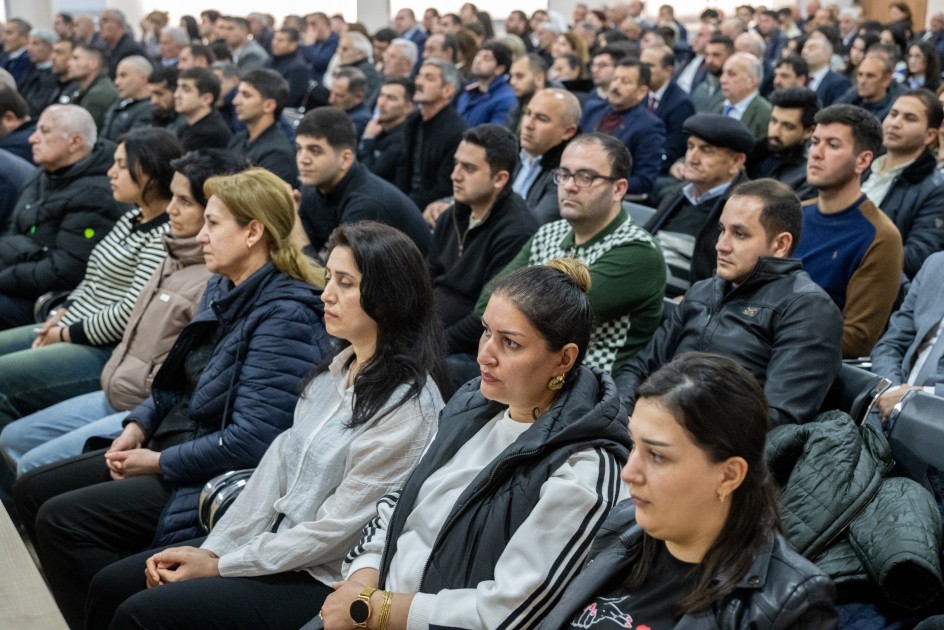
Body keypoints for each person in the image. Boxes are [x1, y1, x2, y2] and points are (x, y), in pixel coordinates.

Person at [83, 221, 451, 629]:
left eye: (345, 283)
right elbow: (275, 467)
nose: (326, 294)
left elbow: (335, 532)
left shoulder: (407, 407)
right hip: (270, 545)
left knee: (140, 614)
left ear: (389, 298)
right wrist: (216, 549)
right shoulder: (336, 371)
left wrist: (224, 566)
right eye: (329, 278)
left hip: (321, 576)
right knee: (111, 584)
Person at [13, 168, 331, 629]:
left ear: (253, 232)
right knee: (33, 490)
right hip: (172, 441)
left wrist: (157, 463)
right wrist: (136, 426)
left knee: (63, 522)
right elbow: (173, 382)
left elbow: (252, 441)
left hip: (209, 472)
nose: (201, 236)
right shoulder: (224, 284)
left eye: (213, 224)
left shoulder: (285, 317)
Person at [317, 258, 631, 629]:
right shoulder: (471, 403)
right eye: (486, 332)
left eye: (510, 343)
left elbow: (511, 612)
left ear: (563, 359)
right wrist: (361, 581)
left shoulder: (584, 465)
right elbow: (398, 504)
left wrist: (377, 610)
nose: (485, 354)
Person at [0, 149, 250, 479]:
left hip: (133, 395)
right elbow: (91, 279)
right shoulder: (171, 248)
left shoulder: (210, 277)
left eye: (184, 202)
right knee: (13, 438)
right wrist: (63, 312)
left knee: (30, 461)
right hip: (115, 377)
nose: (171, 209)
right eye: (173, 197)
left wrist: (67, 332)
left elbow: (179, 378)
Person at [540, 352, 837, 628]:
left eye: (657, 456)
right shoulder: (625, 522)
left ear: (729, 476)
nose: (628, 473)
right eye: (635, 445)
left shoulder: (790, 602)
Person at [616, 179, 843, 427]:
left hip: (716, 450)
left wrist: (677, 432)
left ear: (780, 244)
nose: (720, 245)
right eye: (722, 230)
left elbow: (779, 418)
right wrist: (625, 417)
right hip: (651, 428)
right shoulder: (702, 291)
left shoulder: (808, 309)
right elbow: (638, 369)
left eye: (740, 234)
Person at [449, 133, 666, 382]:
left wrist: (517, 301)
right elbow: (488, 300)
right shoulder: (549, 232)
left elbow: (552, 319)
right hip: (519, 370)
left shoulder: (637, 252)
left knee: (435, 373)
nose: (569, 185)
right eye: (563, 174)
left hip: (579, 387)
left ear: (618, 188)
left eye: (585, 177)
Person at [0, 105, 126, 328]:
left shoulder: (96, 194)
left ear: (75, 142)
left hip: (50, 302)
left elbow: (65, 271)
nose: (32, 139)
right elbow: (12, 231)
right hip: (18, 281)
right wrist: (31, 252)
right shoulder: (42, 174)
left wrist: (5, 274)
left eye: (45, 131)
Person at [795, 104, 904, 358]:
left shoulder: (881, 236)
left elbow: (855, 339)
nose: (816, 154)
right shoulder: (793, 214)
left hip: (807, 367)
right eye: (814, 142)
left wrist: (773, 335)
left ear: (863, 160)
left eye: (832, 145)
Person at [428, 124, 537, 337]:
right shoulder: (452, 214)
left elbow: (487, 317)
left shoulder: (517, 232)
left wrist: (430, 347)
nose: (455, 175)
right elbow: (427, 276)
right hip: (429, 325)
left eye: (468, 168)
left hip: (468, 345)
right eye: (456, 164)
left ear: (500, 179)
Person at [295, 108, 431, 256]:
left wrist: (294, 223)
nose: (303, 159)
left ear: (345, 158)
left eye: (314, 151)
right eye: (299, 149)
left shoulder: (366, 205)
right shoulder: (312, 188)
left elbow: (332, 275)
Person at [648, 114, 754, 297]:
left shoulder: (747, 208)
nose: (692, 158)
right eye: (690, 147)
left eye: (706, 151)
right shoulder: (677, 193)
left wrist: (696, 300)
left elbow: (739, 277)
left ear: (736, 162)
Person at [861, 89, 944, 279]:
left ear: (930, 135)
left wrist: (853, 254)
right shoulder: (863, 165)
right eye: (893, 114)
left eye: (910, 118)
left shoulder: (936, 189)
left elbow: (918, 256)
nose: (895, 123)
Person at [581, 59, 667, 198]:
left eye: (625, 82)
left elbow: (645, 180)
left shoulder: (649, 126)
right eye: (615, 79)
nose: (615, 86)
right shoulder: (592, 109)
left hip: (612, 197)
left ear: (641, 92)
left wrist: (603, 186)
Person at [396, 58, 466, 211]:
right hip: (405, 202)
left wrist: (405, 206)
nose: (419, 83)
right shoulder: (413, 120)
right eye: (419, 76)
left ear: (447, 90)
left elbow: (446, 186)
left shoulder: (455, 131)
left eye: (429, 78)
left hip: (430, 209)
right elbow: (403, 167)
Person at [511, 88, 580, 224]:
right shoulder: (512, 152)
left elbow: (535, 227)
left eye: (542, 119)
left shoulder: (567, 175)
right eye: (527, 113)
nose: (528, 124)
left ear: (568, 131)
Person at [227, 68, 298, 185]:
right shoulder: (238, 139)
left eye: (246, 95)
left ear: (269, 105)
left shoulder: (277, 155)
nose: (235, 101)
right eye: (238, 93)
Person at [747, 87, 818, 199]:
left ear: (809, 131)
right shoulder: (753, 151)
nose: (776, 131)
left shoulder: (810, 174)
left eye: (787, 126)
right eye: (774, 121)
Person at [357, 76, 413, 183]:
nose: (381, 103)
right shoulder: (377, 129)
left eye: (391, 98)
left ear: (408, 107)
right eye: (381, 95)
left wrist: (367, 139)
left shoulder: (403, 139)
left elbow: (371, 177)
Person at [174, 67, 232, 152]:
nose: (176, 95)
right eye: (178, 88)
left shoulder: (211, 134)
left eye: (186, 90)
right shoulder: (185, 126)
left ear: (206, 99)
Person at [100, 56, 154, 142]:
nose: (117, 82)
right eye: (117, 76)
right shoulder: (120, 102)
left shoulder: (150, 109)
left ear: (143, 78)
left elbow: (132, 146)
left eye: (123, 76)